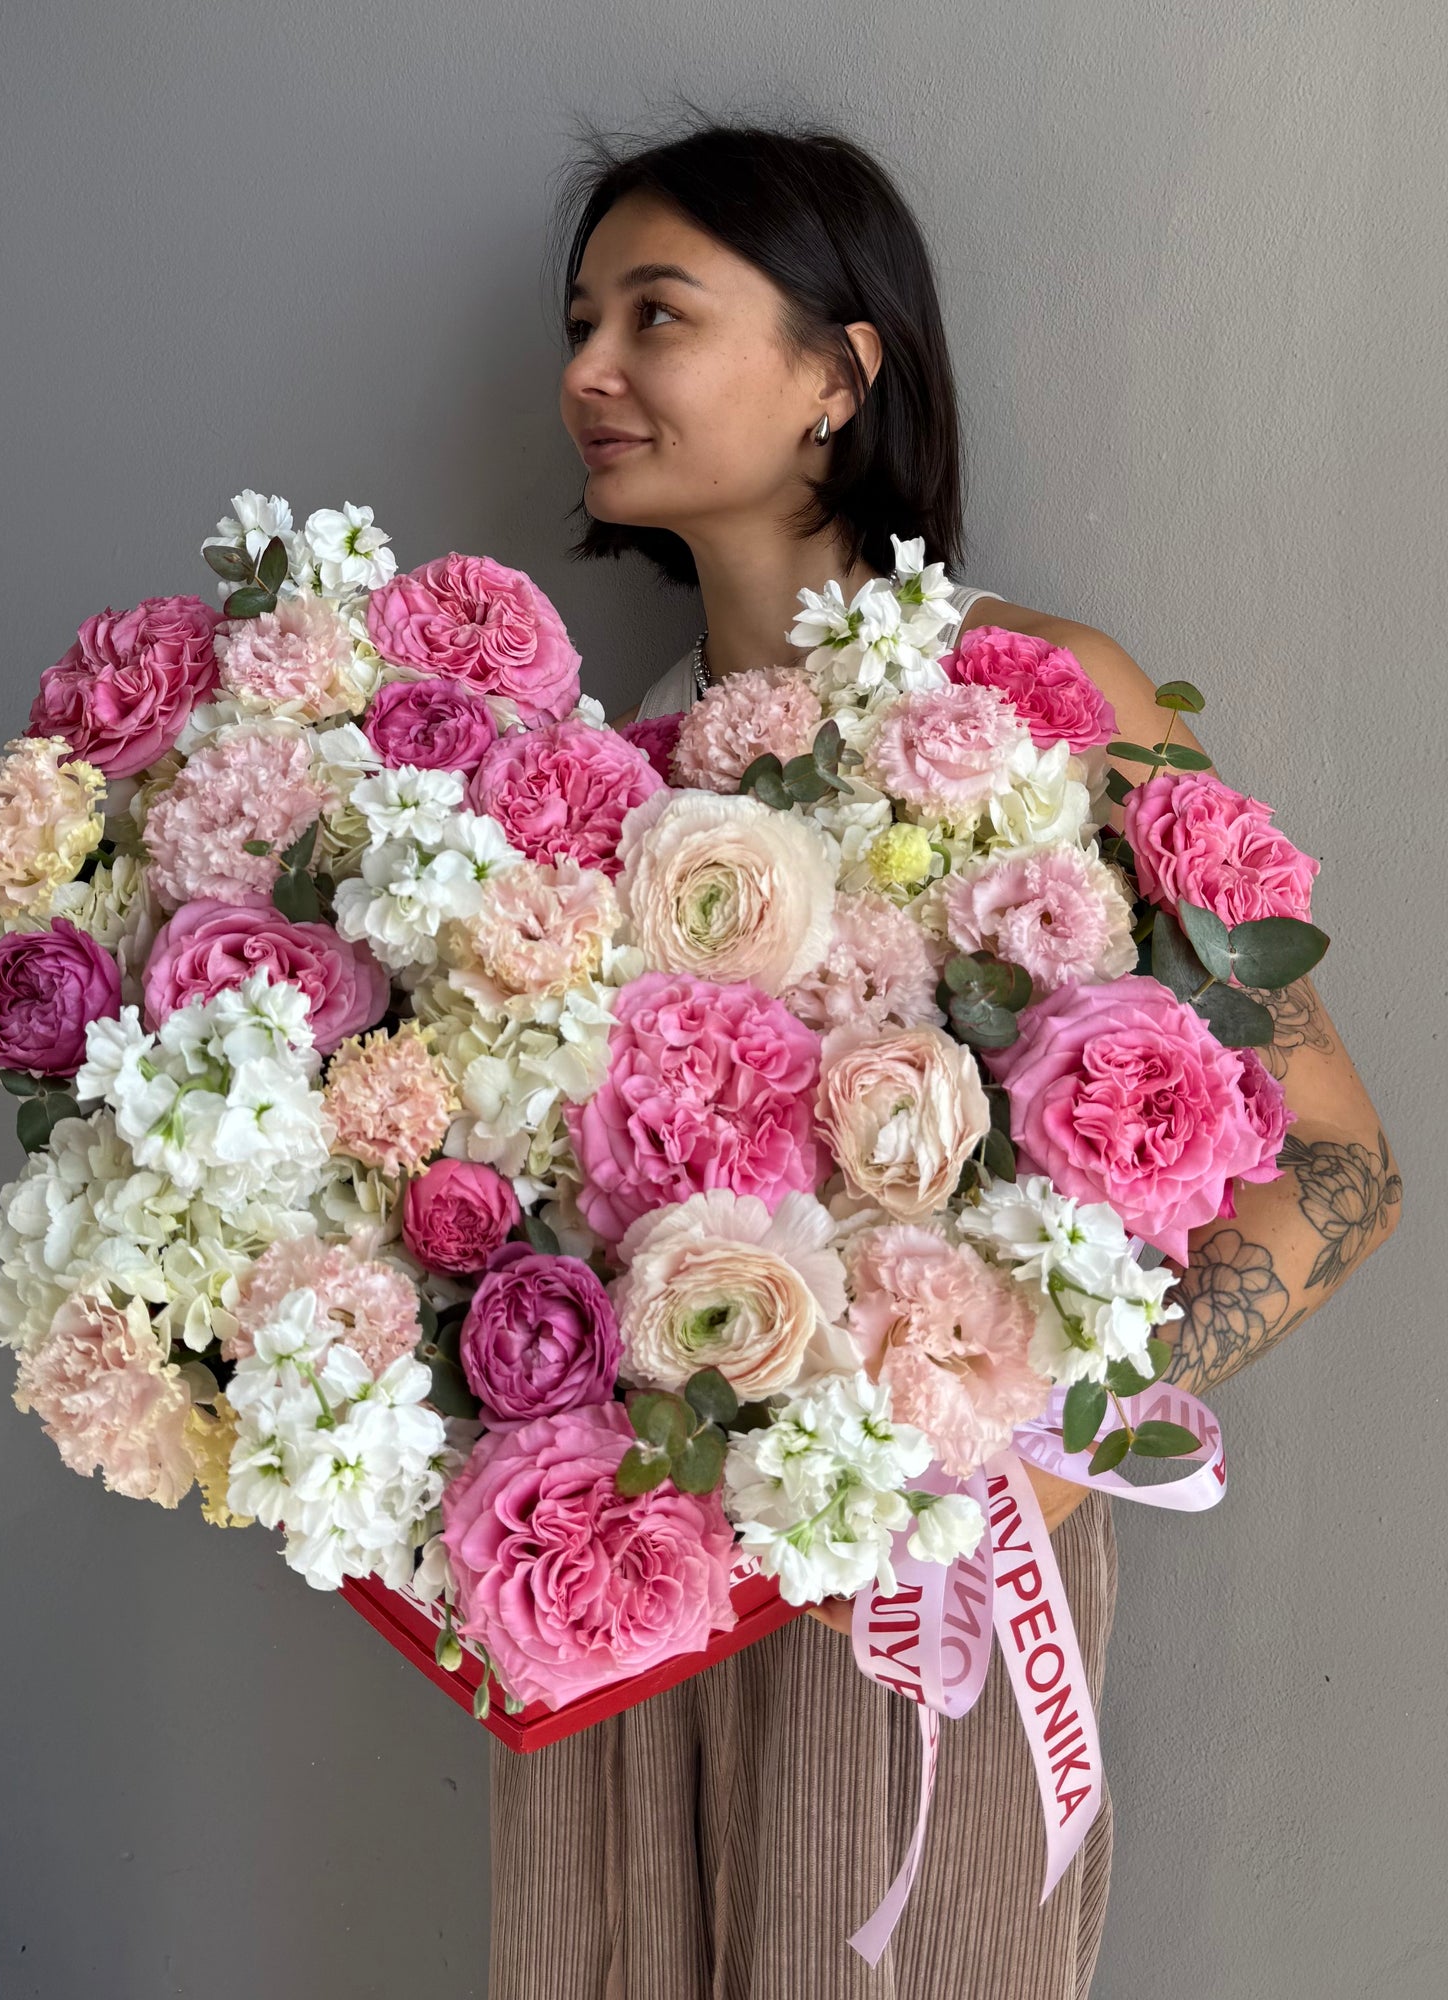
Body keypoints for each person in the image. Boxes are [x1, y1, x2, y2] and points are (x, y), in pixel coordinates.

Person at [486, 115, 1402, 2000]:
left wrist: (1034, 1462)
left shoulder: (1051, 703)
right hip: (629, 1586)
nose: (587, 370)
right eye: (581, 319)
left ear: (838, 371)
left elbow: (1338, 1165)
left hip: (932, 1601)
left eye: (657, 315)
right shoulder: (583, 789)